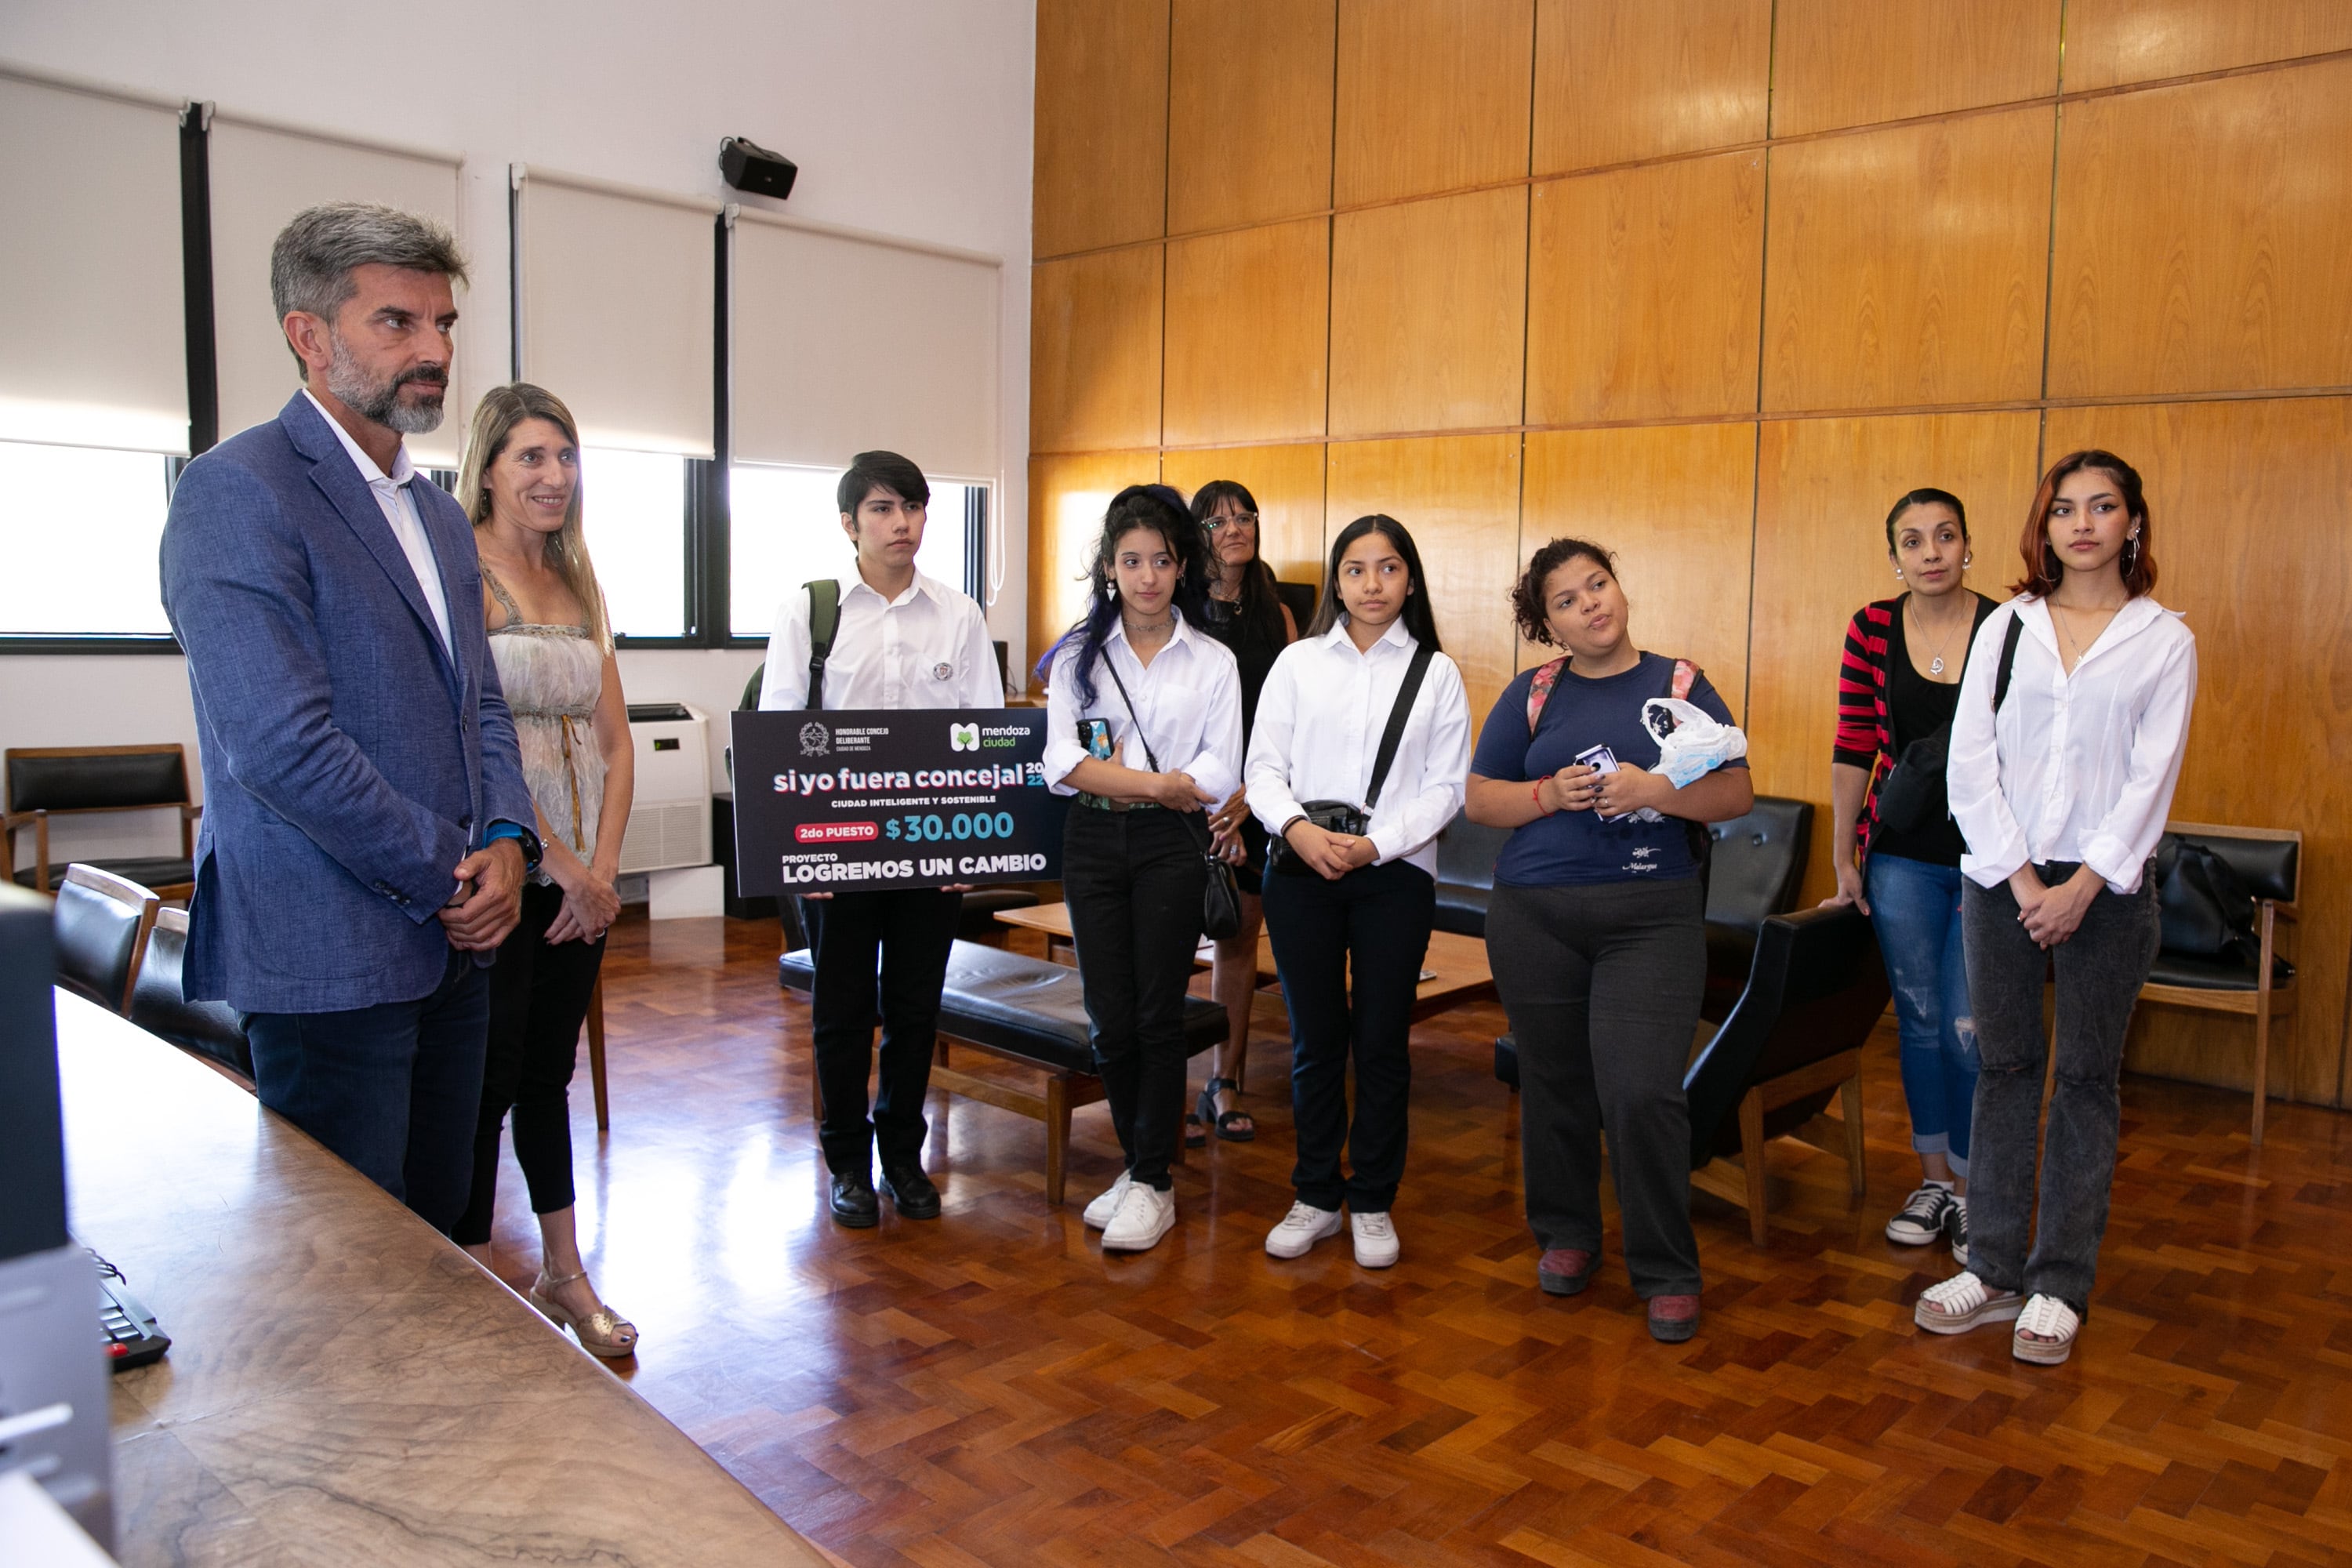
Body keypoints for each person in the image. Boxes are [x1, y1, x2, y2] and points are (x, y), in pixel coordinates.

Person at [158, 203, 539, 1236]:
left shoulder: (435, 512)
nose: (434, 351)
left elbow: (482, 702)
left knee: (448, 1243)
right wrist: (449, 870)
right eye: (397, 323)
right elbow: (280, 746)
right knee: (350, 1281)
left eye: (444, 324)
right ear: (309, 336)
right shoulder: (237, 492)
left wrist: (508, 838)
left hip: (458, 948)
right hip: (330, 953)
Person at [1915, 451, 2194, 1366]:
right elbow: (1971, 758)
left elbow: (2152, 781)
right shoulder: (2010, 627)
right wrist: (2025, 879)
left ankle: (2058, 1281)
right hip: (2004, 876)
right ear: (2046, 526)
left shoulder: (2164, 639)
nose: (2082, 523)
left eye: (2103, 506)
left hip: (2107, 890)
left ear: (2132, 524)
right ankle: (1991, 1264)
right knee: (2003, 1066)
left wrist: (2083, 883)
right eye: (2065, 508)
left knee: (2083, 1080)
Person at [1464, 539, 1753, 1342]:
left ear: (1619, 588)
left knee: (1639, 1091)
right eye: (1567, 599)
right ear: (1547, 623)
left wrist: (1655, 788)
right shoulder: (1533, 693)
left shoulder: (1681, 683)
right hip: (1533, 915)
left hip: (1650, 916)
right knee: (1554, 1083)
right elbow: (1482, 799)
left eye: (1599, 584)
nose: (1591, 603)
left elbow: (1737, 790)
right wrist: (1547, 791)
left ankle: (1666, 1268)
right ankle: (1567, 1233)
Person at [760, 451, 1001, 1229]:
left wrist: (966, 853)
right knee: (840, 1009)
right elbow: (780, 732)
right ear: (849, 522)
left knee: (914, 1006)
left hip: (929, 846)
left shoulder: (958, 614)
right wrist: (805, 853)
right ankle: (846, 1162)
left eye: (915, 508)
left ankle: (902, 1152)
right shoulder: (813, 609)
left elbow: (985, 738)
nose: (903, 523)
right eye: (884, 509)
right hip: (838, 845)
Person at [446, 384, 637, 1356]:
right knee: (486, 1076)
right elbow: (468, 740)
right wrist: (555, 863)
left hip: (581, 884)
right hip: (506, 869)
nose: (553, 475)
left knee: (547, 1076)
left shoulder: (580, 582)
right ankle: (473, 1278)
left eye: (564, 455)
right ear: (487, 468)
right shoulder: (460, 572)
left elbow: (616, 742)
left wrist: (602, 871)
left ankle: (563, 1273)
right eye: (531, 456)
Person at [1248, 515, 1468, 1268]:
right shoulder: (1298, 663)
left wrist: (1376, 844)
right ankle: (1315, 1194)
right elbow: (1263, 769)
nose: (1372, 585)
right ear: (1336, 580)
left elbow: (1446, 789)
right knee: (1314, 1043)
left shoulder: (1437, 673)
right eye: (1355, 569)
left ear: (1410, 578)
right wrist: (1301, 832)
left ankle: (1372, 1198)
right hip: (1300, 867)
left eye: (1388, 568)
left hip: (1394, 875)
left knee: (1381, 1042)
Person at [1039, 486, 1243, 1254]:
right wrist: (1155, 782)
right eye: (1131, 560)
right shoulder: (1079, 656)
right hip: (1091, 842)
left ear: (1182, 564)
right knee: (1109, 1014)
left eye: (1161, 559)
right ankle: (1139, 1160)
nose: (1147, 575)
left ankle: (1153, 1179)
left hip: (1170, 847)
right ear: (1109, 567)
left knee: (1158, 1013)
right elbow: (1061, 760)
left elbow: (1222, 765)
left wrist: (1150, 786)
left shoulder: (1214, 660)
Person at [1821, 489, 1998, 1266]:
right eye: (1913, 540)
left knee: (1969, 1030)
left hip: (1992, 862)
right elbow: (1854, 743)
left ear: (1967, 547)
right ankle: (1934, 1182)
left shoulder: (2008, 626)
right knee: (1922, 1023)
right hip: (1899, 856)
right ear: (1896, 556)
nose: (1931, 551)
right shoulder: (1871, 627)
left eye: (1945, 535)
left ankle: (1974, 1189)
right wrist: (1843, 857)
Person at [1185, 479, 1299, 1145]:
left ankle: (1225, 1081)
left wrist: (1251, 796)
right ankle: (1160, 1075)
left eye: (1245, 516)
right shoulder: (1177, 608)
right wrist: (1206, 795)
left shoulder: (1277, 614)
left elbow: (1283, 722)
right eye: (1218, 519)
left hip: (1253, 800)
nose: (1235, 528)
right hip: (1188, 798)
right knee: (1172, 941)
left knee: (1237, 937)